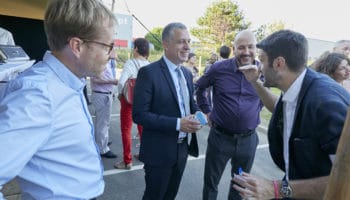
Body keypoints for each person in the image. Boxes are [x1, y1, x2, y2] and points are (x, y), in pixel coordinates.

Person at [0, 0, 116, 199]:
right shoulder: (38, 95)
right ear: (77, 46)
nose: (112, 54)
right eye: (108, 46)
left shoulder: (68, 82)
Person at [233, 30, 350, 199]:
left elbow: (345, 181)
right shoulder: (299, 85)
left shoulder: (324, 104)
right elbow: (280, 109)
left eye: (262, 60)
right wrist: (254, 81)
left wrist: (276, 189)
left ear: (279, 63)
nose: (259, 65)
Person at [132, 22, 202, 200]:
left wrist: (200, 117)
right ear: (165, 44)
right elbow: (139, 115)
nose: (187, 47)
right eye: (181, 42)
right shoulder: (148, 73)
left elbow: (190, 106)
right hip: (159, 152)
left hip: (182, 150)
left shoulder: (186, 74)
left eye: (189, 41)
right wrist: (179, 124)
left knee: (170, 196)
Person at [196, 30, 263, 200]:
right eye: (241, 47)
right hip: (220, 139)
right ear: (234, 49)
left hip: (247, 141)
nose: (246, 51)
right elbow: (200, 87)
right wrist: (207, 110)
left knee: (240, 186)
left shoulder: (263, 72)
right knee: (211, 183)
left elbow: (266, 96)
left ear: (256, 48)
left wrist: (254, 111)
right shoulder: (218, 69)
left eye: (250, 47)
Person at [114, 38, 150, 169]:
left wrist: (120, 95)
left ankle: (127, 161)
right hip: (143, 101)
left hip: (128, 100)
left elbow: (121, 82)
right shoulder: (148, 64)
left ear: (136, 49)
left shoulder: (130, 63)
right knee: (143, 128)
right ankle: (144, 154)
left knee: (126, 129)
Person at [90, 57, 118, 159]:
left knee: (103, 122)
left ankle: (102, 141)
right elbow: (96, 79)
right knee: (102, 122)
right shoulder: (99, 61)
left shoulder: (106, 62)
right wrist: (112, 81)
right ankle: (102, 148)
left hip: (105, 94)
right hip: (102, 95)